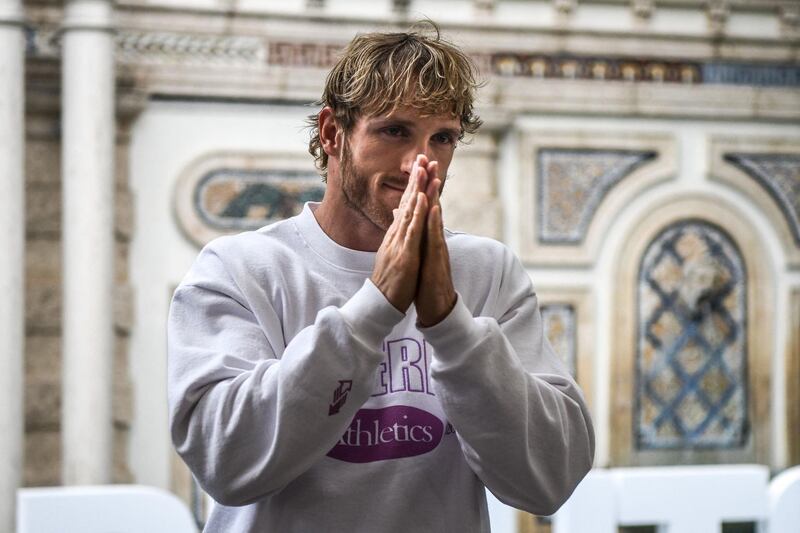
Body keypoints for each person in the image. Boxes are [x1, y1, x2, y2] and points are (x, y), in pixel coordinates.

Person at [168, 22, 594, 533]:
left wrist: (452, 326)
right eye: (395, 130)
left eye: (443, 138)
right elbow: (226, 463)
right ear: (332, 134)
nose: (420, 162)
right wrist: (374, 308)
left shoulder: (486, 271)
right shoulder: (239, 268)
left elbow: (548, 481)